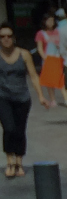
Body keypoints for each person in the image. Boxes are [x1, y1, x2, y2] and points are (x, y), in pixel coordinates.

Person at [0, 23, 46, 180]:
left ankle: (19, 162)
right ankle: (9, 162)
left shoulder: (24, 54)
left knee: (20, 130)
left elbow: (33, 76)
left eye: (8, 36)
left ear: (13, 38)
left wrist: (40, 96)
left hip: (22, 98)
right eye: (2, 36)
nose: (6, 39)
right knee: (9, 128)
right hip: (3, 97)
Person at [33, 12, 67, 121]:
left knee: (62, 78)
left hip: (59, 58)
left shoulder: (58, 32)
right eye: (48, 20)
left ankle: (66, 99)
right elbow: (40, 48)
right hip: (48, 59)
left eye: (52, 20)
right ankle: (53, 99)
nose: (50, 22)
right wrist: (44, 58)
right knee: (50, 80)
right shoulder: (41, 34)